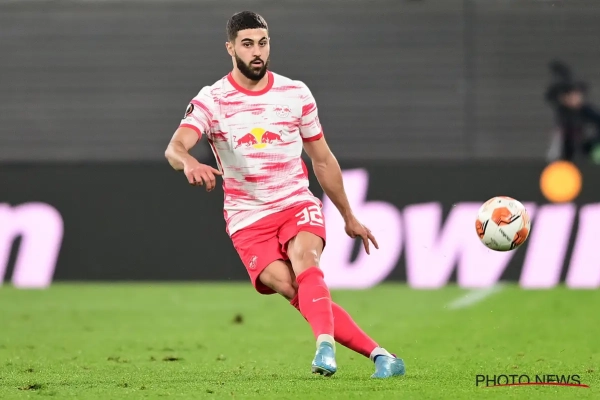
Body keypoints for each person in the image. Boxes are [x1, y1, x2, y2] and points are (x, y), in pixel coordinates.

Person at [164, 11, 405, 379]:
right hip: (247, 217)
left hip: (295, 202)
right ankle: (382, 356)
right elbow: (175, 147)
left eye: (263, 43)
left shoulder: (295, 94)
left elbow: (322, 160)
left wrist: (348, 216)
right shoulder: (212, 100)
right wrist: (188, 162)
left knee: (306, 260)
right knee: (291, 287)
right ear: (230, 48)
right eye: (247, 44)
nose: (257, 51)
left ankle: (324, 347)